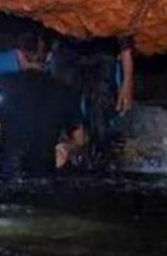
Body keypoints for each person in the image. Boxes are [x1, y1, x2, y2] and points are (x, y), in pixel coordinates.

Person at [0, 33, 85, 180]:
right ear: (48, 57)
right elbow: (80, 140)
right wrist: (66, 148)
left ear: (19, 55)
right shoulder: (64, 91)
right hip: (44, 175)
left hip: (7, 173)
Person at [51, 35, 134, 165]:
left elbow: (124, 29)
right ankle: (64, 158)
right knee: (63, 115)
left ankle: (102, 162)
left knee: (100, 116)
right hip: (67, 47)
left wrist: (127, 81)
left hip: (102, 50)